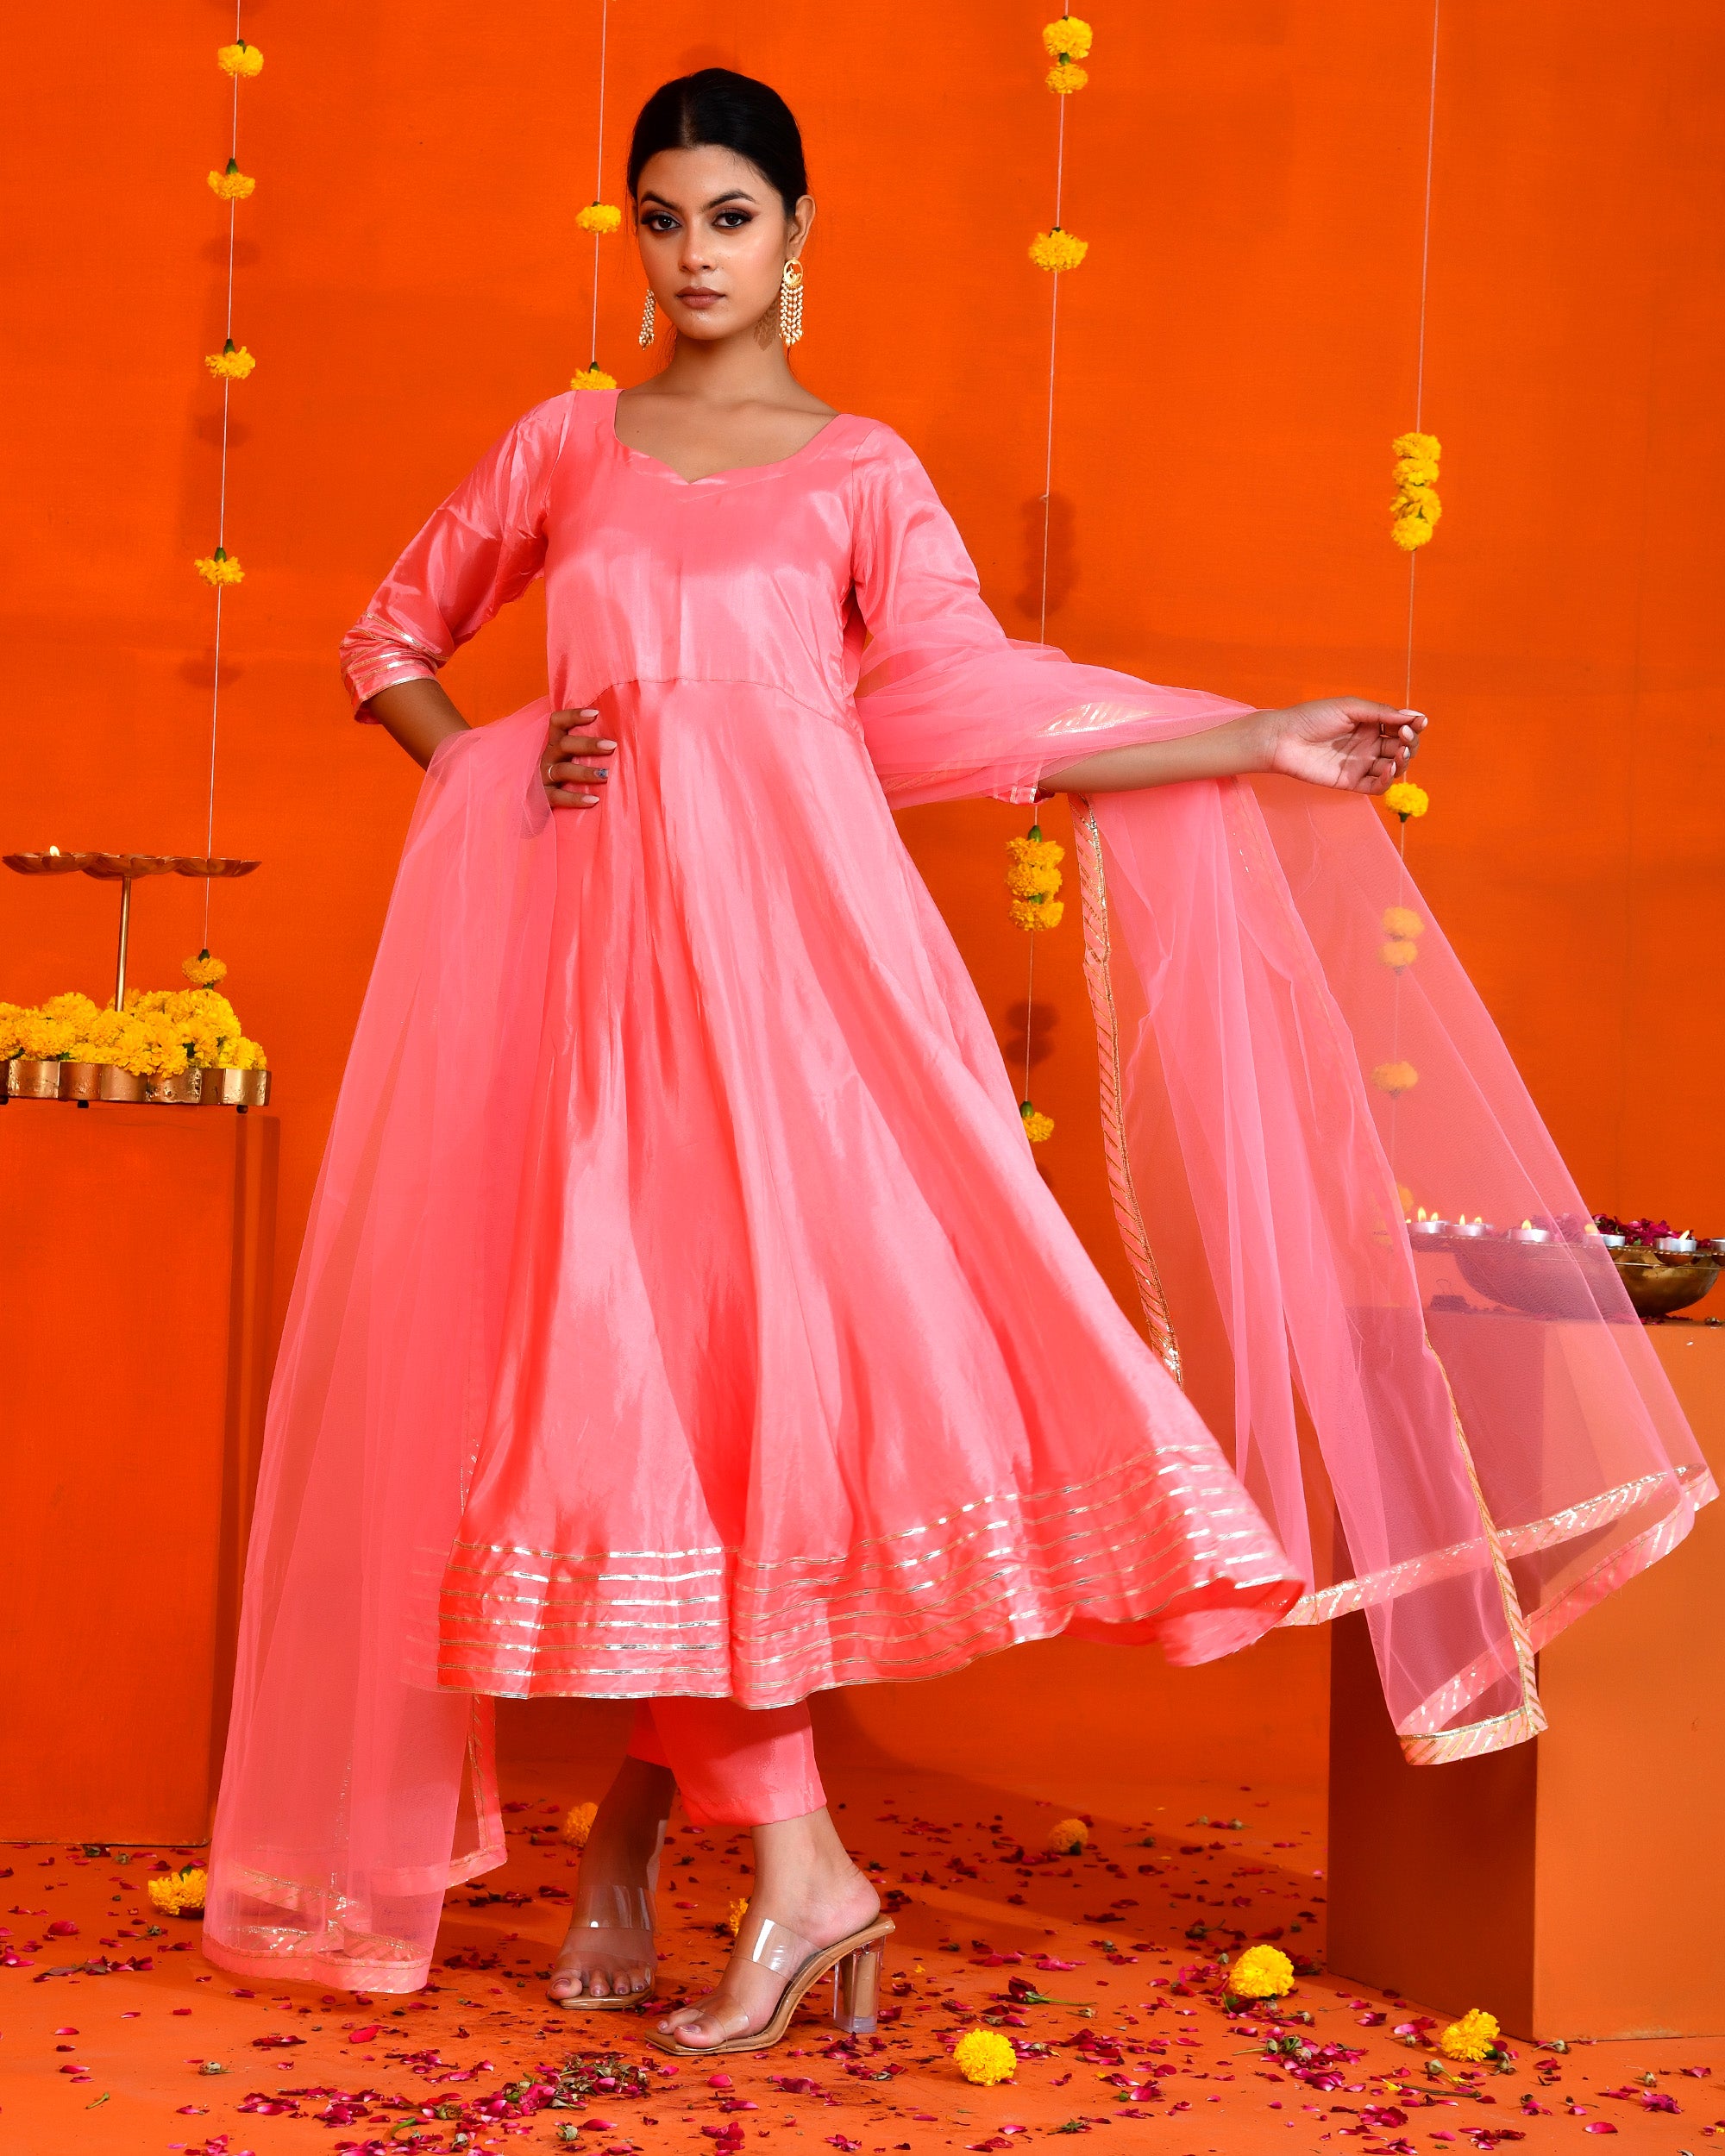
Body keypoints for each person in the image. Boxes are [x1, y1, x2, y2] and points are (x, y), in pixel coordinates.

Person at [203, 70, 1708, 2055]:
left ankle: (688, 1844)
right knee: (643, 1396)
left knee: (780, 1402)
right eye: (660, 216)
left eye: (730, 215)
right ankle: (742, 1855)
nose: (692, 253)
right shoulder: (566, 445)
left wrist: (1251, 734)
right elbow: (386, 641)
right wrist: (491, 760)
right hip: (611, 999)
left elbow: (970, 700)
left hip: (821, 1004)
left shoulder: (858, 472)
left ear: (797, 235)